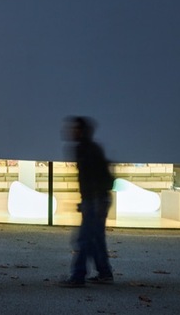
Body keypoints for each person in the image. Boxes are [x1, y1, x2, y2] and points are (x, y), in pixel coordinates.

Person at [60, 116, 114, 287]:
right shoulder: (86, 148)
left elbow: (95, 178)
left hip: (95, 200)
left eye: (74, 129)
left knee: (84, 239)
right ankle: (105, 273)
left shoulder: (86, 150)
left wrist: (92, 202)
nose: (70, 132)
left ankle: (78, 276)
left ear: (81, 131)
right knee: (95, 238)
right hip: (96, 199)